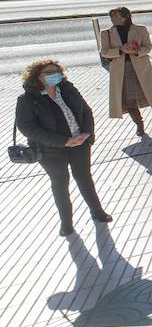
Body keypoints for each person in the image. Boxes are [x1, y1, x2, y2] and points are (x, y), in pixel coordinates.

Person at [15, 60, 111, 236]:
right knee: (60, 184)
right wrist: (63, 141)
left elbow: (86, 111)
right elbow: (27, 128)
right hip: (50, 151)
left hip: (79, 144)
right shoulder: (27, 99)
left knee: (85, 179)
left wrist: (87, 134)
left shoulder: (68, 89)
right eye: (49, 72)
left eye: (57, 71)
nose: (55, 75)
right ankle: (66, 223)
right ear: (37, 76)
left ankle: (98, 212)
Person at [99, 7, 152, 136]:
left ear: (126, 17)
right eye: (112, 17)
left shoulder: (140, 29)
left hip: (141, 68)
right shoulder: (106, 33)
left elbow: (148, 47)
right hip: (121, 70)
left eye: (118, 16)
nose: (114, 19)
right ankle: (139, 126)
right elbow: (104, 52)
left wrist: (136, 51)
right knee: (129, 101)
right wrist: (120, 50)